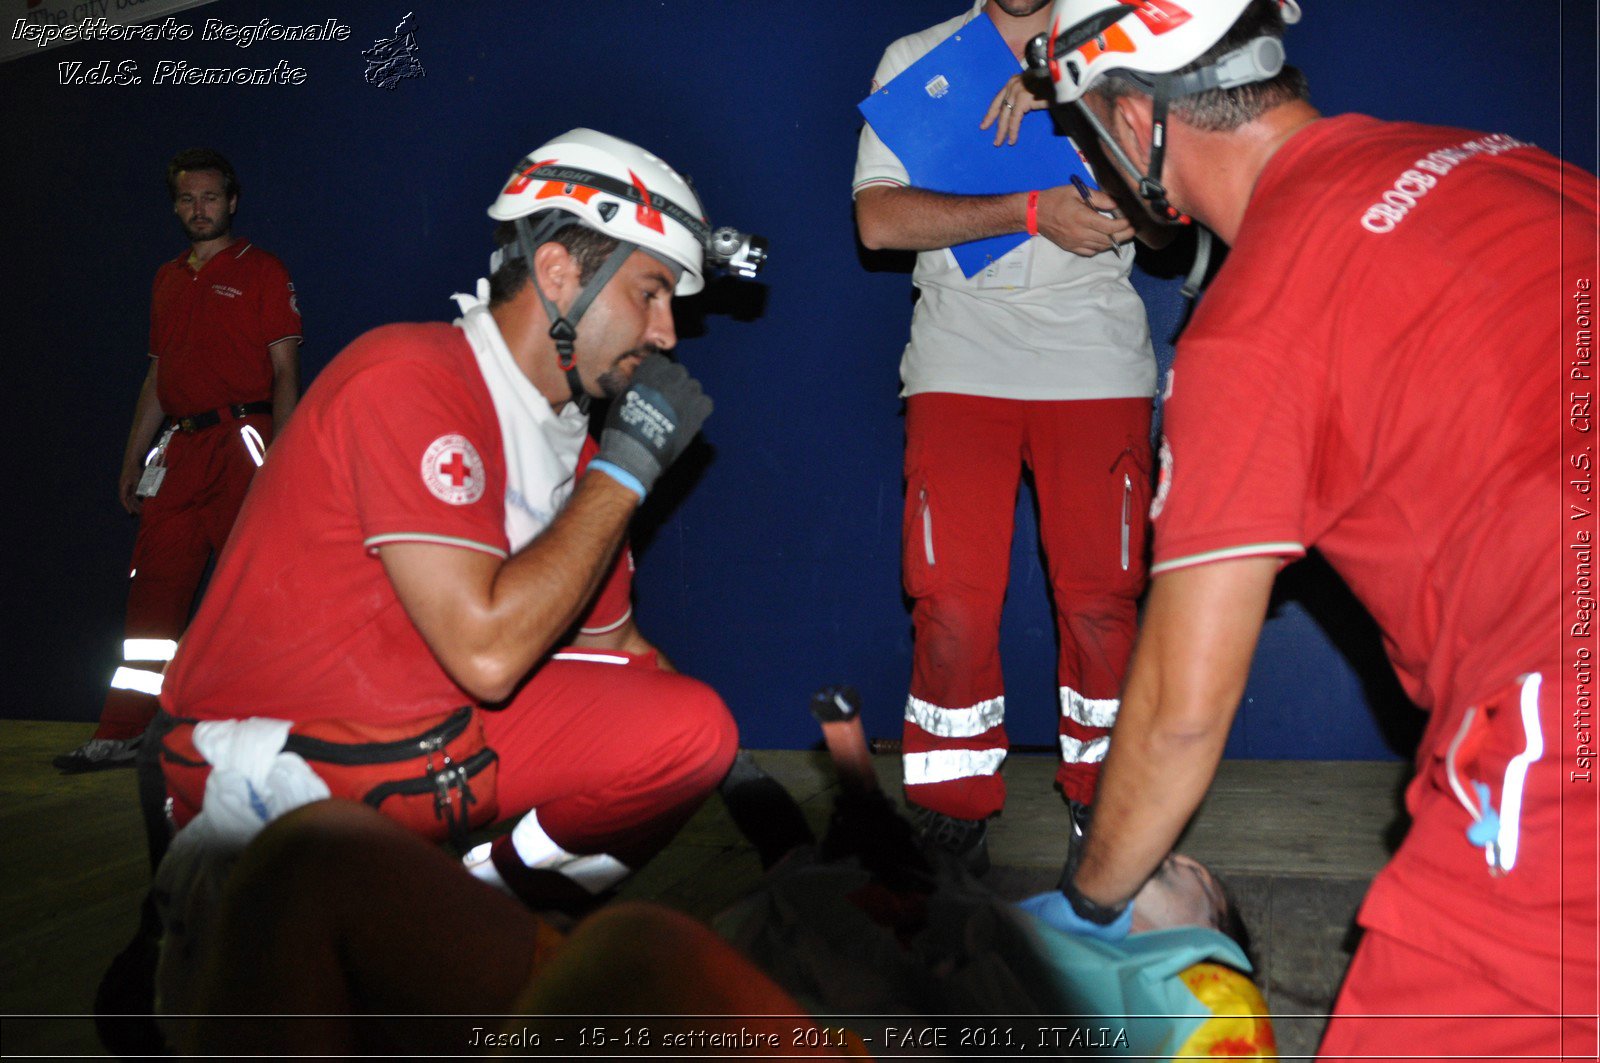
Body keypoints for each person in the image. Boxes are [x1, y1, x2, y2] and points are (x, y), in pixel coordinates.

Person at [1019, 1, 1598, 1057]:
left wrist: (1087, 905)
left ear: (1139, 122)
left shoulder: (1253, 318)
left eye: (1091, 131)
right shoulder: (1507, 162)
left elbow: (1179, 714)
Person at [149, 129, 745, 909]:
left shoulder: (575, 441)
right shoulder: (411, 377)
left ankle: (485, 913)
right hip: (278, 758)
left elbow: (620, 652)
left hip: (417, 733)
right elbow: (488, 656)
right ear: (559, 272)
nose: (667, 332)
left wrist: (746, 788)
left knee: (692, 729)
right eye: (650, 292)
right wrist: (626, 472)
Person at [853, 0, 1163, 872]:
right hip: (962, 355)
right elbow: (878, 221)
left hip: (1096, 360)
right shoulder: (918, 57)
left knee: (1104, 601)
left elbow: (1175, 213)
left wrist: (1078, 107)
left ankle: (1108, 814)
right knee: (950, 600)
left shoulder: (1124, 47)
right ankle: (952, 813)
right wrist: (1030, 209)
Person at [56, 148, 301, 773]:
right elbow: (158, 377)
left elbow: (284, 374)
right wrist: (132, 458)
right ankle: (124, 731)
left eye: (210, 198)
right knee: (152, 600)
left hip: (245, 438)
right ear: (175, 207)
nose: (199, 209)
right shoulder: (168, 278)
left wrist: (285, 460)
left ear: (232, 202)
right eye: (187, 199)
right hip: (181, 450)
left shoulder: (262, 270)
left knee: (259, 589)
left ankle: (289, 730)